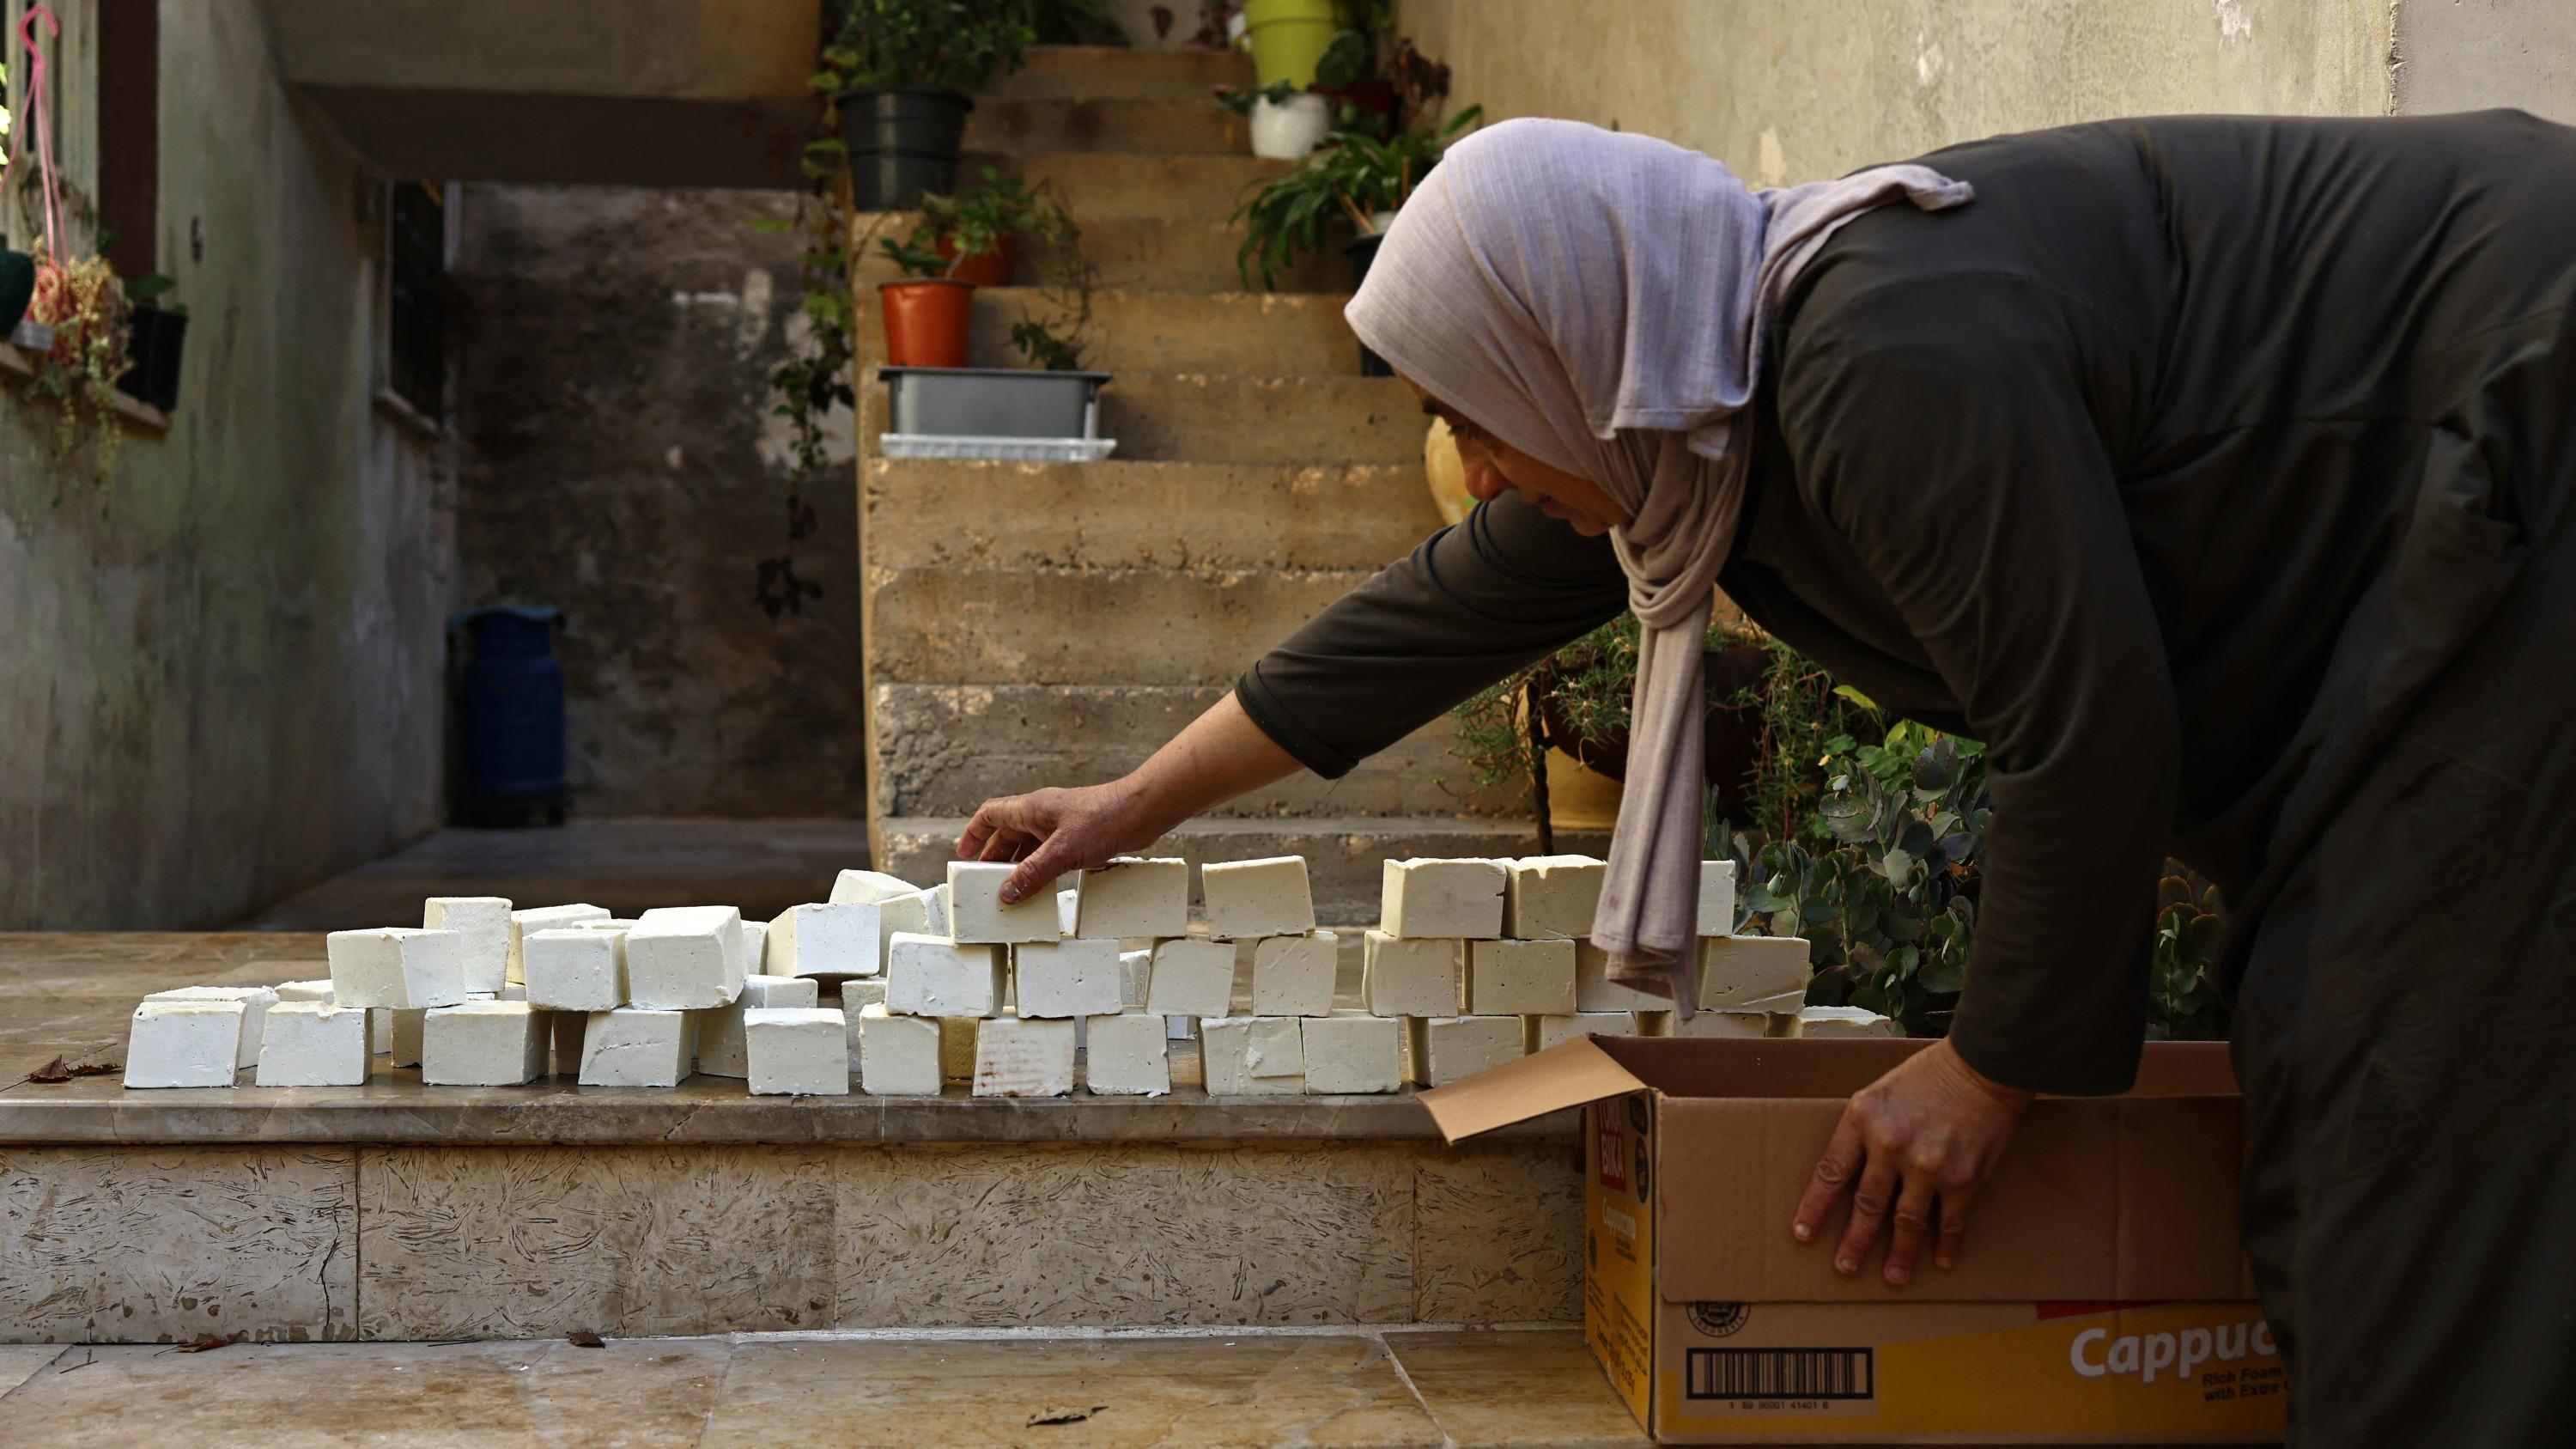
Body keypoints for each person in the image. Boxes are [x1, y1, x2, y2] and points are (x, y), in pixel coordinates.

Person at [956, 113, 2576, 1446]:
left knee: (2404, 1119)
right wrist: (1132, 805)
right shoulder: (1689, 413)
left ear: (1564, 337)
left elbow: (2087, 724)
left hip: (2528, 421)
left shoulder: (1879, 360)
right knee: (2367, 1067)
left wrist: (1985, 1067)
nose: (1482, 465)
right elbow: (1437, 610)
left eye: (1474, 412)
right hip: (2460, 509)